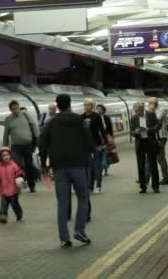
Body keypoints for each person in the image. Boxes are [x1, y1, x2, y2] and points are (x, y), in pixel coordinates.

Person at [41, 94, 93, 248]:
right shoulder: (79, 120)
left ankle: (64, 238)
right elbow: (89, 142)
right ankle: (80, 230)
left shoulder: (50, 122)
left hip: (59, 167)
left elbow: (42, 144)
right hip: (77, 165)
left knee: (62, 203)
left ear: (57, 105)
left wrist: (44, 164)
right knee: (83, 198)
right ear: (69, 104)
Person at [3, 100, 39, 193]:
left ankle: (32, 185)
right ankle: (21, 184)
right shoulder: (8, 119)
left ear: (19, 107)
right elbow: (6, 134)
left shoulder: (25, 115)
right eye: (14, 109)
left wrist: (37, 138)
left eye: (17, 108)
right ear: (10, 110)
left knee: (29, 165)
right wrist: (4, 147)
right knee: (17, 166)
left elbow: (34, 125)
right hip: (16, 147)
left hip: (28, 145)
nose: (16, 110)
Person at [0, 147, 24, 224]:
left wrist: (20, 175)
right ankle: (3, 216)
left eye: (7, 155)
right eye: (4, 156)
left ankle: (19, 214)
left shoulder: (13, 165)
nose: (6, 157)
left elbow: (19, 172)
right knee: (3, 206)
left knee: (14, 204)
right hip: (3, 191)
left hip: (14, 190)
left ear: (10, 155)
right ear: (0, 157)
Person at [130, 102, 160, 194]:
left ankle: (155, 187)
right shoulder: (134, 118)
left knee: (153, 165)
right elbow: (131, 131)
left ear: (143, 109)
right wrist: (136, 132)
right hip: (140, 143)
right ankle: (143, 187)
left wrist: (148, 130)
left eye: (139, 110)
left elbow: (158, 126)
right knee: (140, 165)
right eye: (136, 111)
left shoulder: (151, 115)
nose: (138, 113)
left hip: (150, 142)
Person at [82, 99, 106, 194]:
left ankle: (98, 185)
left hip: (97, 144)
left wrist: (105, 143)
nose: (86, 106)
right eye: (85, 105)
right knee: (89, 167)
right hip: (85, 145)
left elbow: (102, 130)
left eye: (88, 105)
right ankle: (90, 186)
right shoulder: (81, 117)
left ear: (92, 106)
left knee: (97, 166)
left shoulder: (97, 117)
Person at [147, 98, 168, 185]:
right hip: (153, 137)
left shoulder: (161, 111)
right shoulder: (150, 111)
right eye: (149, 103)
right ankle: (145, 178)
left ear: (155, 103)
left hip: (161, 137)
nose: (149, 104)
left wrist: (151, 110)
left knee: (160, 158)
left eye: (150, 103)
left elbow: (155, 121)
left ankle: (166, 178)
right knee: (149, 158)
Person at [96, 104, 113, 177]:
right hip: (98, 138)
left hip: (106, 138)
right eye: (97, 109)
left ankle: (106, 170)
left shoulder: (106, 118)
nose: (99, 110)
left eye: (100, 109)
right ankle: (100, 170)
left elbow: (110, 128)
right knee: (98, 154)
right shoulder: (95, 118)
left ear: (103, 110)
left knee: (105, 154)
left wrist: (111, 137)